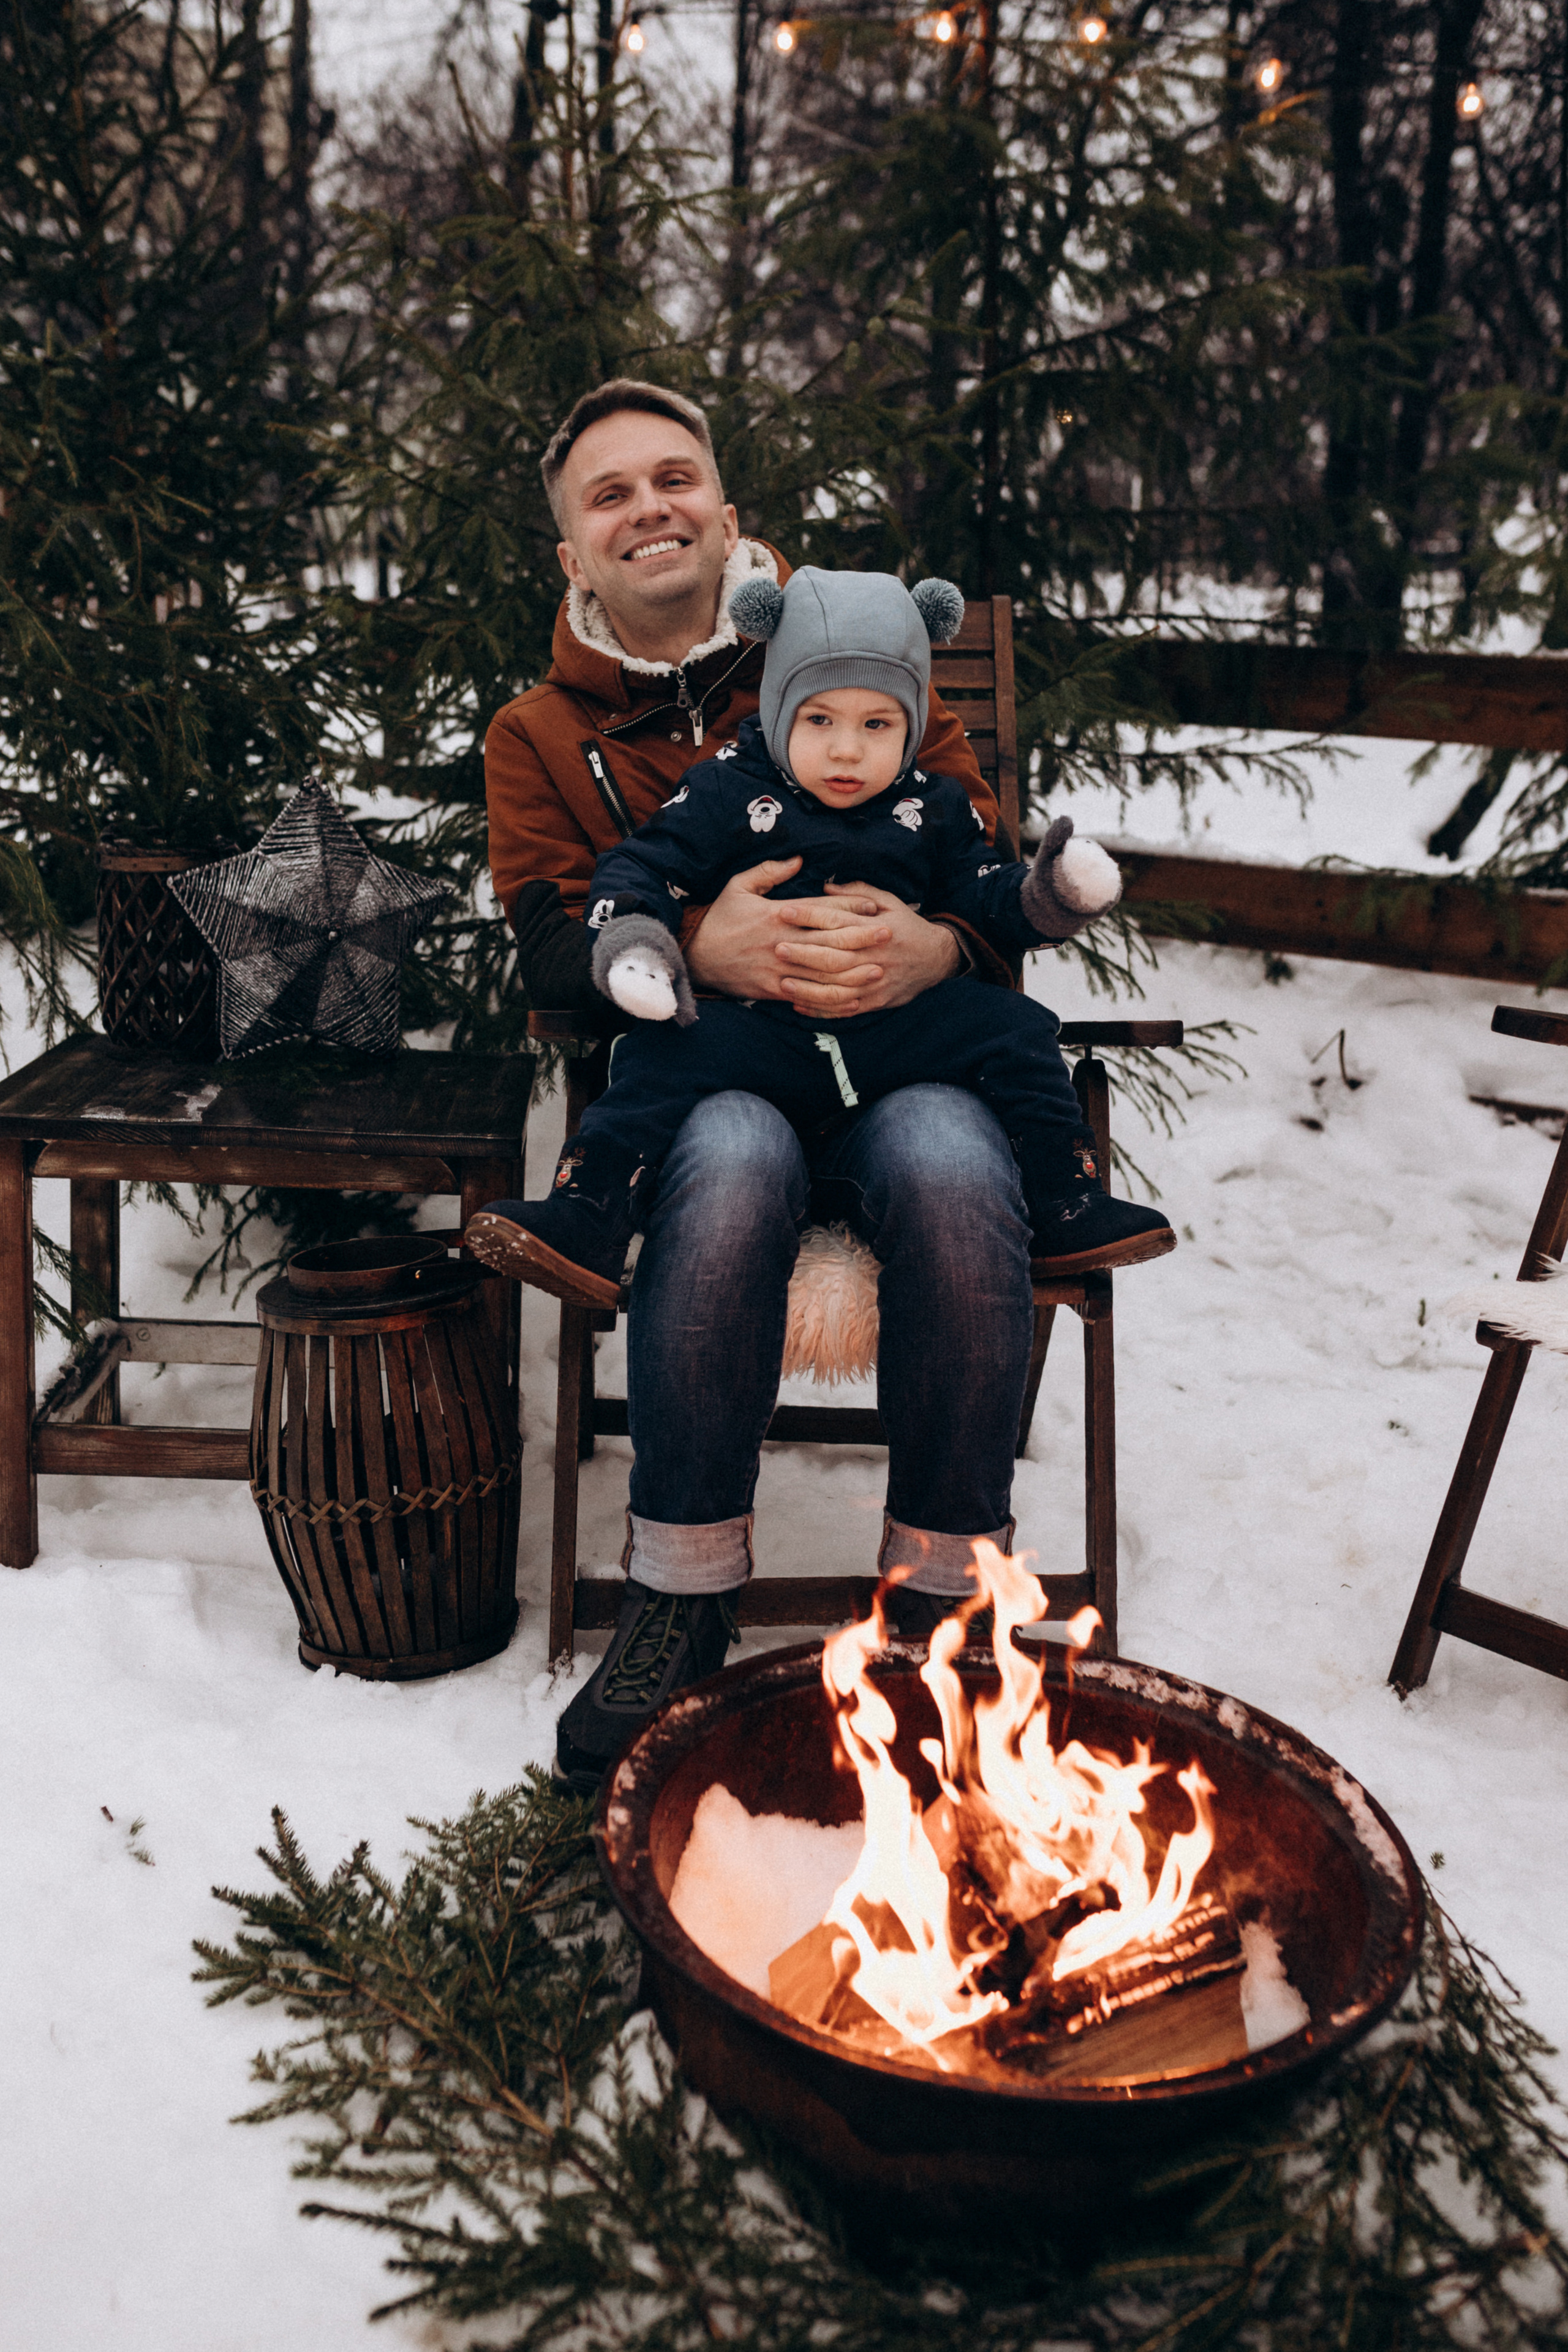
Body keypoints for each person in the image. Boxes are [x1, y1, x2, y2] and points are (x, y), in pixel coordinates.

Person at [478, 378, 1145, 1796]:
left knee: (961, 1168)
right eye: (608, 495)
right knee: (724, 1166)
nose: (646, 508)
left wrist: (936, 942)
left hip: (909, 1060)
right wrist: (691, 941)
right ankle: (681, 1586)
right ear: (572, 555)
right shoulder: (538, 731)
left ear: (726, 514)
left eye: (673, 479)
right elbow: (545, 929)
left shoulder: (866, 654)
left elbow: (970, 848)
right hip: (720, 1070)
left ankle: (947, 1584)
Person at [468, 565, 1174, 1308]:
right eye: (819, 719)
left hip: (900, 1038)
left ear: (909, 726)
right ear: (778, 710)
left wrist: (1047, 894)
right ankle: (586, 1216)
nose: (846, 751)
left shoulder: (932, 805)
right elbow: (642, 866)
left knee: (1017, 1027)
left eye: (877, 724)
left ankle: (1066, 1206)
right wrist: (643, 942)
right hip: (758, 1034)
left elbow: (982, 892)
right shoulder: (726, 788)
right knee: (656, 1049)